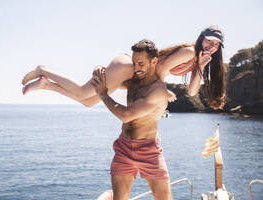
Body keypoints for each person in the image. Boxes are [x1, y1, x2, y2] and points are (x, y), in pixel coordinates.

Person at [22, 25, 226, 110]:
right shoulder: (189, 51)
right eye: (209, 41)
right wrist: (163, 90)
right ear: (202, 39)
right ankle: (43, 70)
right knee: (83, 92)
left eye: (215, 44)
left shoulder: (197, 60)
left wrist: (199, 68)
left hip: (134, 75)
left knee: (89, 102)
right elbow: (161, 69)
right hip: (128, 67)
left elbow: (192, 92)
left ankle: (46, 85)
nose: (211, 46)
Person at [93, 39, 172, 200]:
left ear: (154, 61)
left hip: (149, 150)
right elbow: (112, 79)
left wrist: (103, 94)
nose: (136, 68)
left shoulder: (158, 91)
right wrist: (100, 70)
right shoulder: (134, 81)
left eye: (141, 64)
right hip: (124, 147)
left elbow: (126, 115)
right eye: (134, 63)